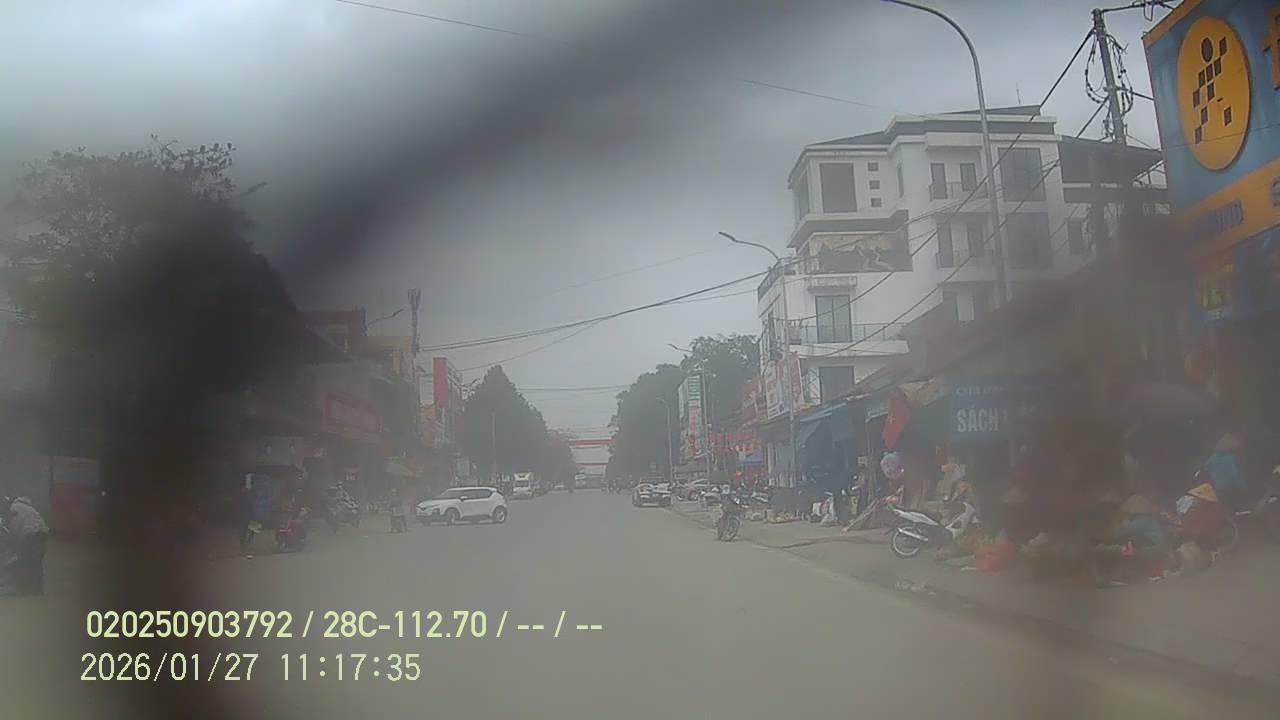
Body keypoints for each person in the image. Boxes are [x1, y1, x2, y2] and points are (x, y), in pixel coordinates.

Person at [5, 496, 49, 595]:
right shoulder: (29, 508)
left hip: (30, 535)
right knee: (37, 561)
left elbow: (15, 528)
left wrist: (14, 545)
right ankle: (38, 589)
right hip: (42, 534)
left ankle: (24, 588)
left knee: (26, 561)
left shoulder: (13, 508)